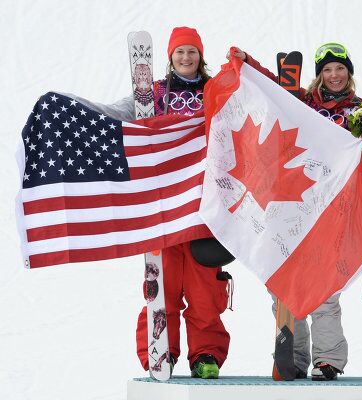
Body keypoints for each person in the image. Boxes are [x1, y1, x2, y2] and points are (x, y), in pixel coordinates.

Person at [68, 27, 231, 379]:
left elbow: (251, 113)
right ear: (170, 57)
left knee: (205, 286)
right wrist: (77, 107)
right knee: (164, 283)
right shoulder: (152, 94)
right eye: (179, 53)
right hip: (163, 204)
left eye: (192, 52)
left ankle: (206, 355)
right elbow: (115, 113)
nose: (186, 58)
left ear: (200, 56)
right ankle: (162, 351)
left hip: (206, 205)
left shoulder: (217, 92)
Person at [230, 42, 362, 381]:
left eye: (340, 69)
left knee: (325, 287)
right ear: (320, 74)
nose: (335, 75)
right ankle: (292, 354)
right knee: (285, 281)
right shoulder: (303, 103)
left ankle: (328, 358)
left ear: (349, 73)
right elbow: (276, 88)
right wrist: (248, 62)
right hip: (294, 202)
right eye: (327, 69)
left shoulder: (361, 109)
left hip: (335, 208)